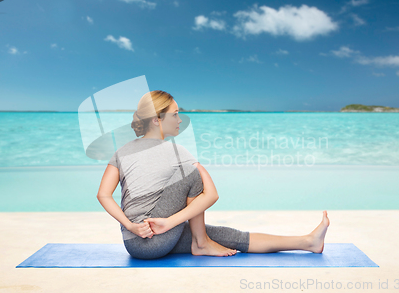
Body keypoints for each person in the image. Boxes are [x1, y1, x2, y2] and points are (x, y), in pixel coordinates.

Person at [97, 90, 330, 260]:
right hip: (157, 238)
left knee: (226, 236)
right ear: (157, 119)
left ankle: (308, 242)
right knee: (193, 173)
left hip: (134, 244)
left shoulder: (122, 151)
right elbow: (211, 194)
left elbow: (103, 195)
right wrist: (168, 222)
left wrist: (131, 226)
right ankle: (201, 243)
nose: (180, 120)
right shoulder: (178, 153)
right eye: (175, 114)